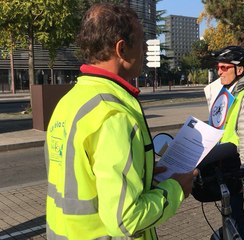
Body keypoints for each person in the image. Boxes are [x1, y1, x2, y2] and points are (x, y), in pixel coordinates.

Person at [44, 3, 197, 239]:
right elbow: (126, 220)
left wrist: (141, 173)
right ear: (122, 49)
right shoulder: (114, 114)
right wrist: (176, 189)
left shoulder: (70, 101)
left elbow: (81, 176)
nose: (145, 49)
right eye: (142, 41)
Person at [205, 46, 244, 239]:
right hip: (222, 161)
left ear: (239, 70)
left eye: (224, 68)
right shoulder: (227, 92)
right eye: (218, 67)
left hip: (235, 165)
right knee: (229, 213)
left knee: (236, 215)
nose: (219, 71)